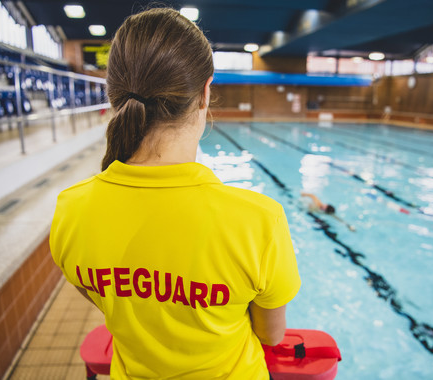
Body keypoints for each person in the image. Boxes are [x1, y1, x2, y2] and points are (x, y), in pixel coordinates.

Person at [50, 8, 300, 380]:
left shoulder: (70, 209)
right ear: (204, 93)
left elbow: (109, 304)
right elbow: (271, 333)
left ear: (113, 93)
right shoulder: (258, 222)